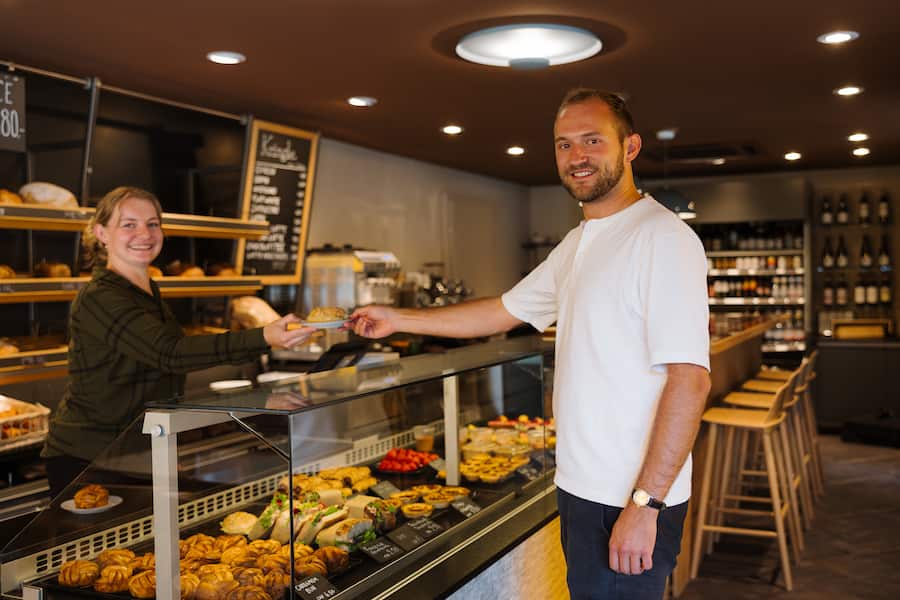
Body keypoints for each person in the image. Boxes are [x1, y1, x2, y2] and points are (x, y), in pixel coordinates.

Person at [348, 88, 711, 599]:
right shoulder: (578, 243)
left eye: (591, 141)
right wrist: (399, 318)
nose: (576, 157)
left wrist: (645, 505)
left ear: (630, 147)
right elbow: (502, 310)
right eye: (564, 145)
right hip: (582, 487)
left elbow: (690, 380)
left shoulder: (662, 237)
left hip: (627, 498)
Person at [42, 186, 315, 498]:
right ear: (102, 233)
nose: (144, 233)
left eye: (152, 224)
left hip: (135, 453)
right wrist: (266, 336)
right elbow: (171, 354)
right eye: (129, 224)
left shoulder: (146, 293)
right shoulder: (101, 297)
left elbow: (164, 373)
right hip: (89, 457)